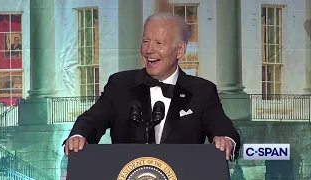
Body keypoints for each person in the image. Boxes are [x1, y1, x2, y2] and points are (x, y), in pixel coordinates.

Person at [64, 12, 241, 161]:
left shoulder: (202, 91)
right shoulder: (120, 85)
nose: (149, 50)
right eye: (145, 41)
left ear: (180, 50)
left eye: (159, 43)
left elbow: (224, 129)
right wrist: (79, 136)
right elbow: (91, 120)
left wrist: (226, 141)